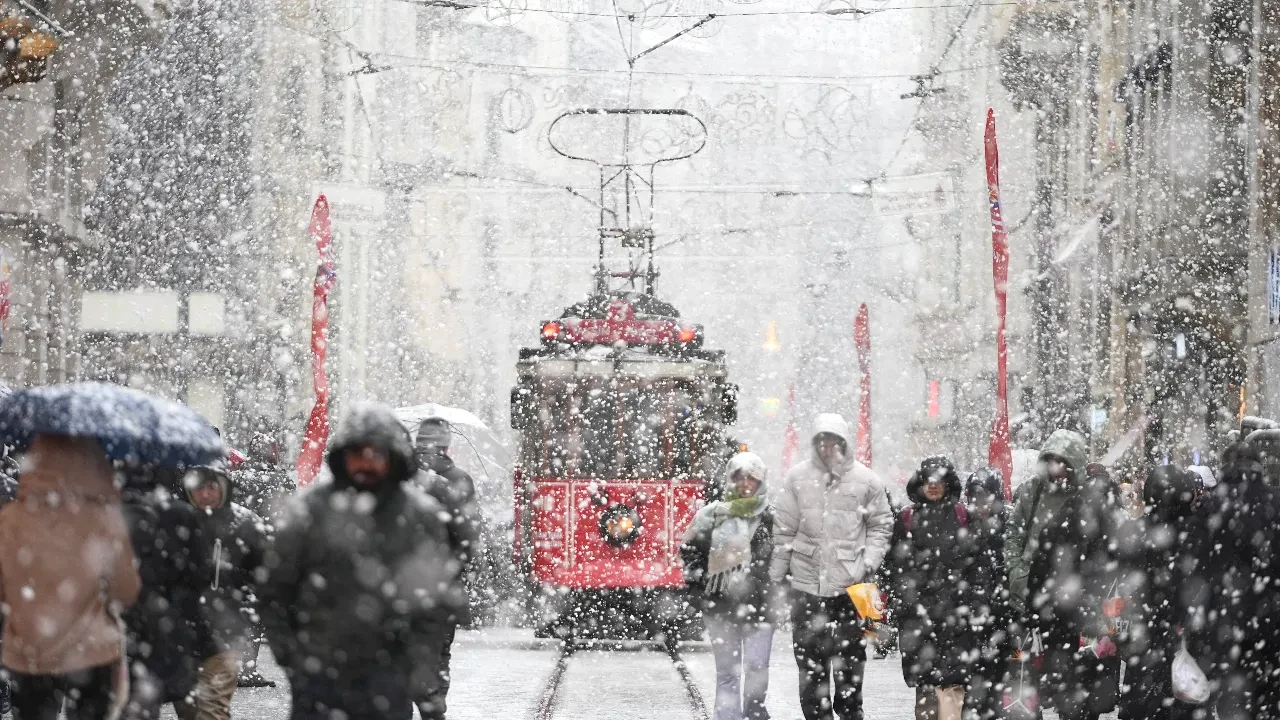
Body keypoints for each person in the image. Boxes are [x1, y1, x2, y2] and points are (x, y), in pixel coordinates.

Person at [262, 403, 462, 720]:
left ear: (391, 458)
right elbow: (276, 590)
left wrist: (416, 662)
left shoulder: (419, 517)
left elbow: (434, 599)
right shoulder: (311, 511)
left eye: (376, 454)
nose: (366, 463)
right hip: (319, 675)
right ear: (344, 456)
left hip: (389, 676)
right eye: (358, 453)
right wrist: (294, 658)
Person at [0, 434, 141, 720]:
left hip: (29, 649)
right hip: (92, 649)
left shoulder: (10, 518)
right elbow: (126, 590)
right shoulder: (102, 517)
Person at [770, 413, 893, 720]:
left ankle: (850, 711)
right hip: (806, 586)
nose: (828, 447)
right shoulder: (797, 478)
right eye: (822, 441)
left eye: (834, 441)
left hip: (851, 588)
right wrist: (777, 575)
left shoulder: (866, 480)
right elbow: (784, 529)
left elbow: (880, 525)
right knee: (810, 666)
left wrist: (869, 561)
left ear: (844, 443)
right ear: (815, 444)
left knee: (851, 663)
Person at [1004, 429, 1120, 720]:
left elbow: (1105, 549)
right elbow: (1014, 535)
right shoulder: (1032, 491)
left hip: (1076, 607)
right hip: (1032, 599)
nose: (1057, 470)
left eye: (1064, 463)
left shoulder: (1088, 498)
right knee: (1027, 686)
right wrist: (1019, 575)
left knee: (1075, 685)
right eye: (1052, 462)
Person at [1180, 443, 1280, 720]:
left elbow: (1196, 567)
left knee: (1232, 700)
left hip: (1225, 623)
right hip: (1271, 621)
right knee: (1270, 697)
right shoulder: (1276, 503)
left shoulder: (1211, 507)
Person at [881, 457, 985, 720]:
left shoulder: (964, 517)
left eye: (939, 480)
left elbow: (978, 564)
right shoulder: (907, 518)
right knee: (926, 685)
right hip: (918, 615)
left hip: (956, 615)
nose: (933, 485)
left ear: (949, 483)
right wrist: (904, 598)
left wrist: (972, 601)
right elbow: (892, 565)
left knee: (952, 685)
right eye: (928, 480)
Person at [119, 468, 221, 720]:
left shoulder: (106, 512)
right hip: (170, 624)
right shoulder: (179, 513)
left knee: (132, 703)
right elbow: (200, 575)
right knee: (184, 699)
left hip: (120, 627)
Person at [681, 451, 776, 720]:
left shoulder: (772, 519)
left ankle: (754, 713)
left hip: (760, 608)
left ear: (761, 481)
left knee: (757, 669)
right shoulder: (710, 516)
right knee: (727, 673)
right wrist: (702, 586)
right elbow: (690, 553)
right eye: (739, 477)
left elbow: (785, 559)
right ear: (730, 480)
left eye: (752, 478)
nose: (745, 484)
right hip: (720, 607)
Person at [183, 462, 269, 719]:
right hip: (183, 634)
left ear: (224, 487)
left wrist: (248, 606)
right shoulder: (181, 520)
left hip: (225, 632)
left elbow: (266, 575)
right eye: (198, 488)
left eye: (212, 487)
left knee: (212, 707)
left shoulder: (245, 524)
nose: (205, 494)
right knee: (190, 709)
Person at [1113, 466, 1199, 720]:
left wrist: (1122, 634)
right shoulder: (1196, 533)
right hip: (1184, 637)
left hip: (1143, 635)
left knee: (1143, 703)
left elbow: (1121, 585)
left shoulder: (1136, 531)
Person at [412, 417, 483, 720]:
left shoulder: (400, 478)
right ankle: (434, 705)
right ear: (447, 445)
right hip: (443, 585)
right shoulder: (459, 480)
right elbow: (470, 535)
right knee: (440, 651)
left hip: (400, 584)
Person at [962, 466, 1010, 720]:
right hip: (970, 614)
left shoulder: (1008, 524)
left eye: (984, 497)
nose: (979, 503)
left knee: (998, 677)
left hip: (1002, 614)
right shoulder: (963, 524)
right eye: (974, 497)